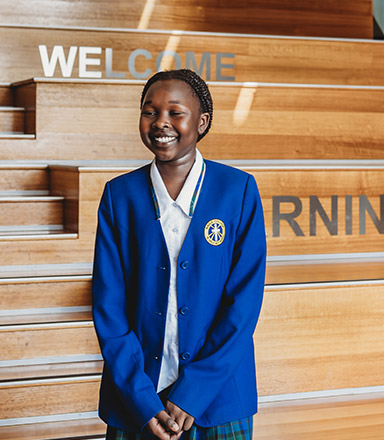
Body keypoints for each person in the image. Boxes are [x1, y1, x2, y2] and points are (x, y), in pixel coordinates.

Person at [91, 69, 266, 440]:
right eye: (150, 112)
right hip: (136, 400)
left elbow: (243, 307)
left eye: (175, 112)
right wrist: (141, 398)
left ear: (202, 122)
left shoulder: (238, 191)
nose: (161, 122)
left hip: (218, 399)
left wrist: (193, 392)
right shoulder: (119, 196)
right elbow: (109, 307)